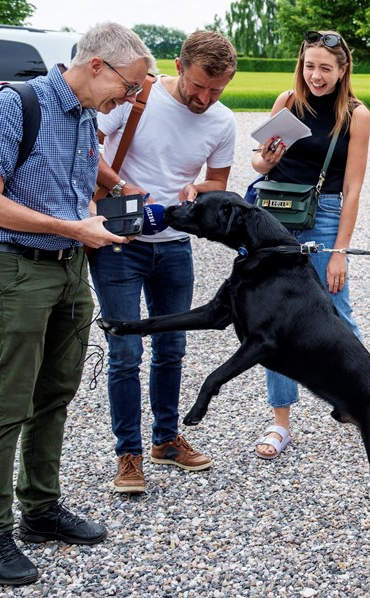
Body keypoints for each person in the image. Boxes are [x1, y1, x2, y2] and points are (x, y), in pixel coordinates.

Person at [0, 23, 154, 586]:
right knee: (9, 402)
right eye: (130, 85)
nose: (132, 97)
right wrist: (69, 226)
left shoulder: (83, 115)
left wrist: (124, 194)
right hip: (15, 270)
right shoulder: (13, 107)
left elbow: (84, 175)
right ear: (97, 66)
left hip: (70, 270)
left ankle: (41, 510)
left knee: (56, 394)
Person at [90, 30, 237, 494]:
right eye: (198, 86)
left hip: (176, 244)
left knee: (172, 349)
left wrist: (199, 191)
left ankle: (166, 440)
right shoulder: (137, 98)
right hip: (118, 240)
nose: (204, 97)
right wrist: (119, 187)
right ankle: (128, 455)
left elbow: (218, 181)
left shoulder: (222, 121)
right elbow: (86, 149)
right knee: (126, 353)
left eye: (217, 90)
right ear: (178, 66)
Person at [249, 30, 370, 459]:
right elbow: (259, 163)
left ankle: (358, 400)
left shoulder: (356, 115)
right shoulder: (286, 101)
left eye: (325, 68)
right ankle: (280, 422)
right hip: (275, 216)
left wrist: (340, 251)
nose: (315, 75)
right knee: (275, 317)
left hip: (324, 217)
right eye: (309, 65)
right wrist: (268, 158)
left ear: (342, 71)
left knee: (338, 311)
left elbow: (353, 189)